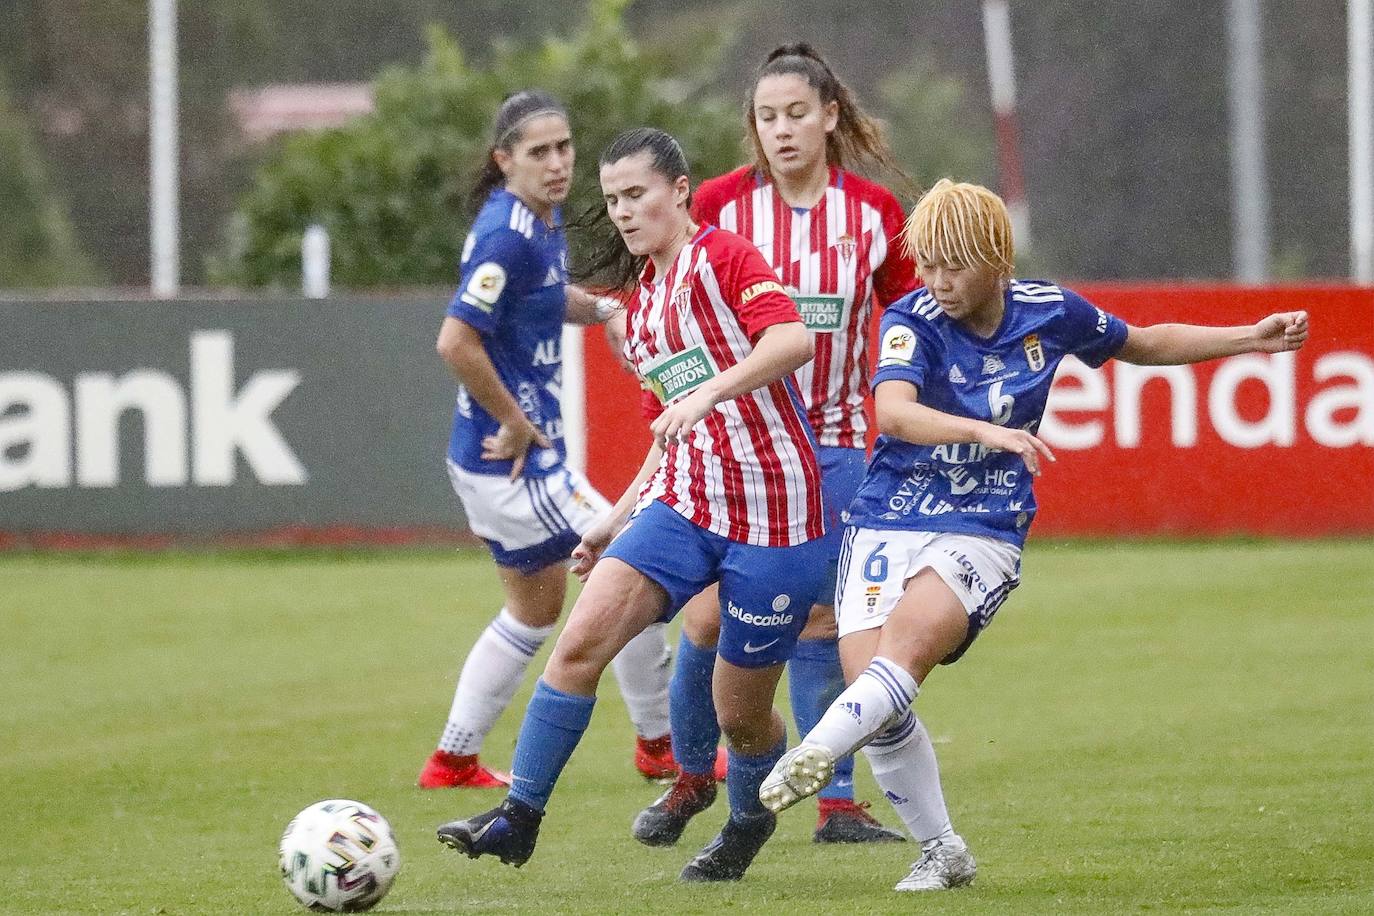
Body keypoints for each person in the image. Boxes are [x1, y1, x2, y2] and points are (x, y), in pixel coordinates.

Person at [757, 178, 1310, 891]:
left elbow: (1141, 343)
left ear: (995, 258)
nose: (936, 280)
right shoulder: (911, 318)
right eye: (926, 263)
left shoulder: (1050, 312)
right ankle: (943, 850)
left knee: (910, 646)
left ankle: (815, 750)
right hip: (889, 514)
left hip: (983, 522)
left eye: (950, 265)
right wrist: (984, 429)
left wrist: (1248, 339)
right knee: (877, 697)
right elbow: (893, 414)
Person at [436, 126, 830, 882]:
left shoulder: (725, 257)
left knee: (741, 718)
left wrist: (712, 390)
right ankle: (520, 816)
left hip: (777, 516)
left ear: (679, 191)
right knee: (579, 642)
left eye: (636, 194)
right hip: (685, 507)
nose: (622, 211)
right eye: (612, 199)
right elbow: (667, 432)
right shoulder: (643, 310)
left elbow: (790, 339)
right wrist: (613, 519)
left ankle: (746, 822)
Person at [630, 42, 916, 849]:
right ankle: (693, 777)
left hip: (833, 446)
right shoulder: (719, 207)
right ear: (752, 126)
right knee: (706, 620)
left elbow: (909, 318)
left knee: (824, 619)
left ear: (830, 117)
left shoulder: (871, 215)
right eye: (767, 116)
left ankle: (834, 804)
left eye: (798, 114)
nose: (782, 130)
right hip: (733, 451)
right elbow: (657, 305)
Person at [419, 90, 680, 791]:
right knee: (632, 566)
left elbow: (539, 297)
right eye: (540, 152)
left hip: (500, 462)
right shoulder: (508, 233)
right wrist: (512, 419)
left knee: (532, 612)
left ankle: (453, 759)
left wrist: (602, 309)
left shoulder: (536, 219)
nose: (558, 163)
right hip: (514, 463)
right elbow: (456, 339)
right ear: (506, 160)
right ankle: (661, 748)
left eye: (565, 148)